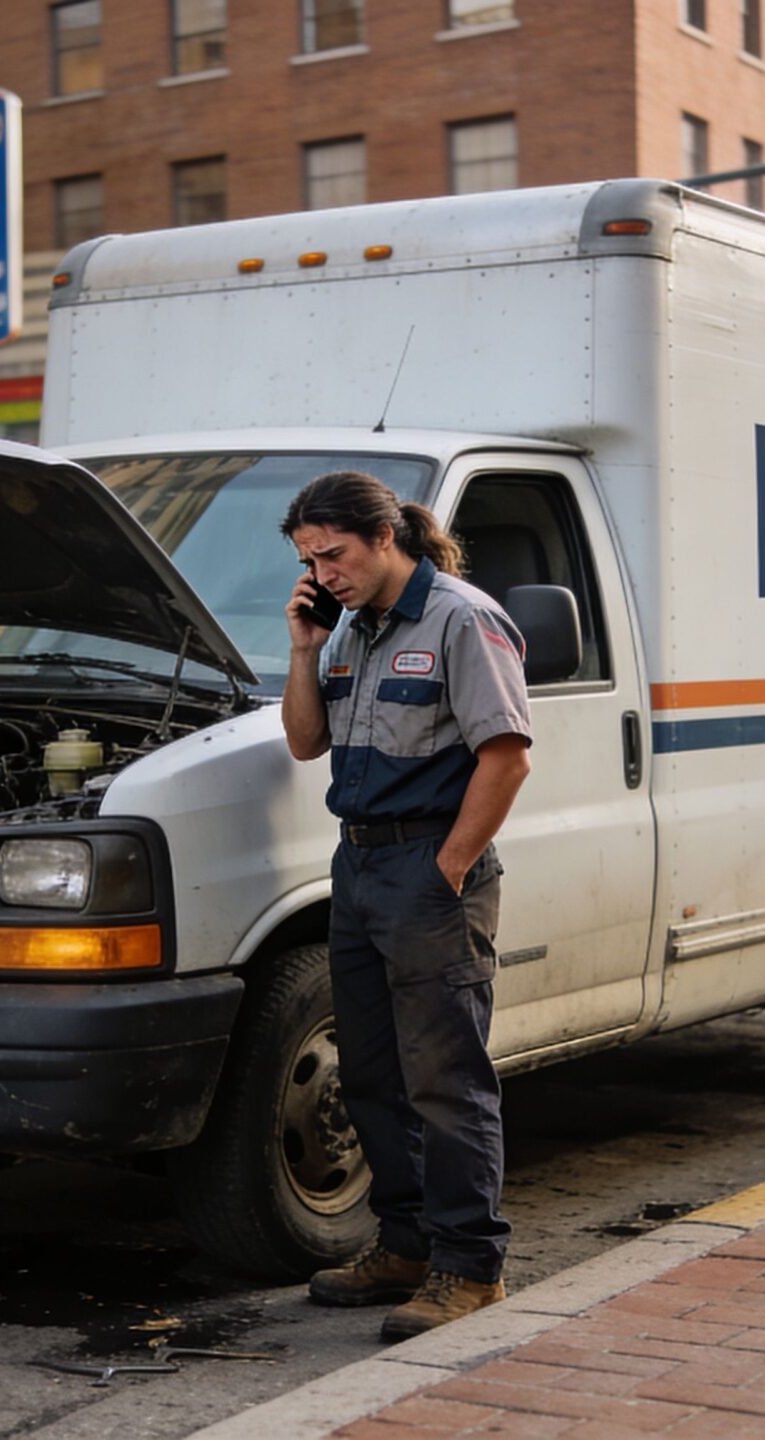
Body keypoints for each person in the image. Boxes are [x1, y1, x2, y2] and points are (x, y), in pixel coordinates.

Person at [279, 471, 533, 1341]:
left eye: (335, 554)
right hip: (357, 868)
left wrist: (449, 867)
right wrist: (306, 646)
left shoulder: (463, 618)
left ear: (384, 537)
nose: (325, 570)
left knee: (445, 1080)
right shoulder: (348, 629)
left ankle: (470, 1267)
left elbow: (506, 758)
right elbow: (307, 741)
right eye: (310, 558)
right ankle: (406, 1246)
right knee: (376, 1076)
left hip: (429, 868)